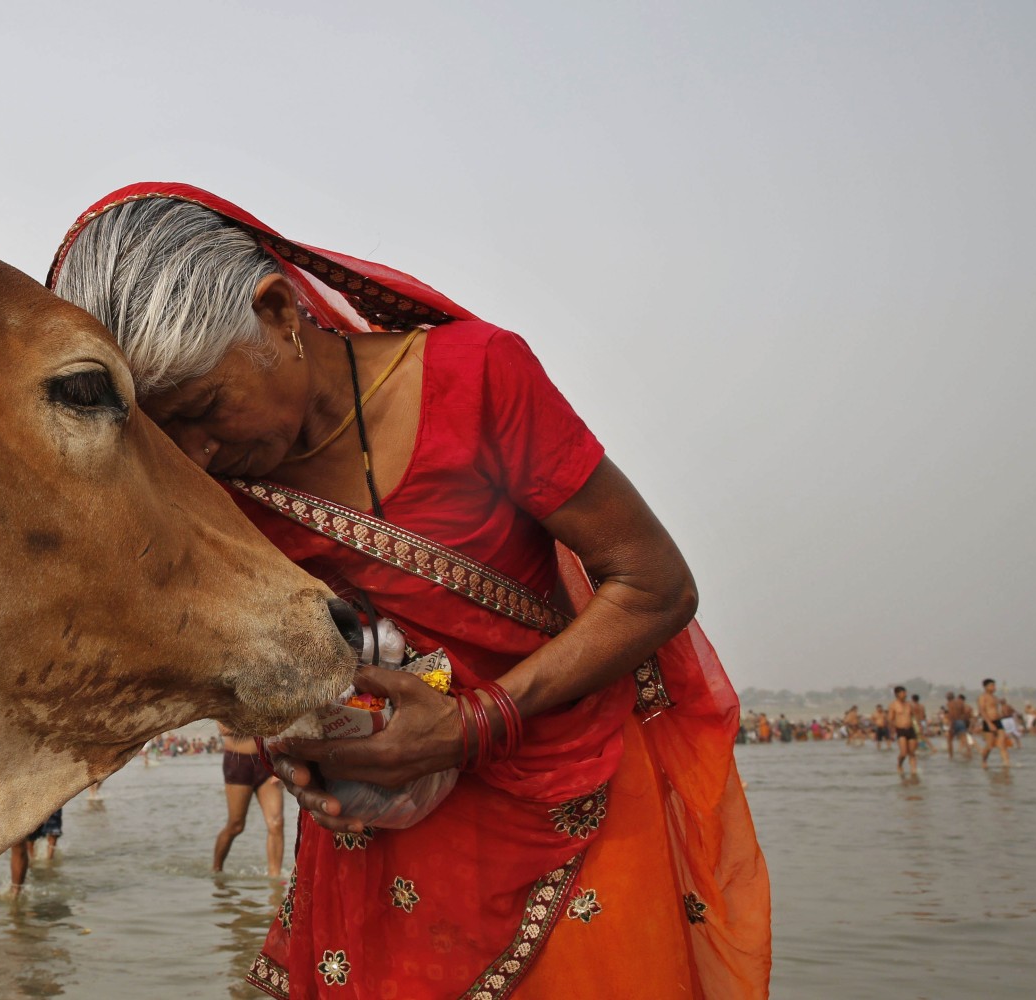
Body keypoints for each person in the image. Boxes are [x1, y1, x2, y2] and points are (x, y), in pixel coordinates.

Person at [49, 184, 770, 998]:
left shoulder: (479, 379)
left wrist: (469, 726)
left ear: (279, 313)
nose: (199, 455)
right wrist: (306, 759)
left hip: (572, 798)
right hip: (381, 836)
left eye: (206, 409)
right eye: (167, 438)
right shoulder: (219, 494)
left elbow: (655, 585)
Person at [215, 722, 287, 878]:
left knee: (276, 823)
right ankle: (216, 870)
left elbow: (283, 723)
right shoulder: (230, 696)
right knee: (236, 826)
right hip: (238, 763)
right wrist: (261, 720)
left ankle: (275, 881)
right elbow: (225, 729)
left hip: (267, 761)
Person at [979, 679, 1011, 768]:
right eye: (992, 685)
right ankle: (984, 761)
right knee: (989, 746)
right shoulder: (983, 697)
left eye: (994, 685)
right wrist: (989, 723)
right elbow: (982, 710)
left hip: (998, 721)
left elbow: (997, 710)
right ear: (986, 687)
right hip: (988, 721)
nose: (994, 687)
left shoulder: (995, 698)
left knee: (1002, 744)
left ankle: (1006, 764)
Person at [889, 686, 921, 777]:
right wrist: (892, 732)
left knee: (912, 753)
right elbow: (890, 719)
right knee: (903, 753)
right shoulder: (893, 705)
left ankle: (914, 772)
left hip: (911, 729)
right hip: (900, 730)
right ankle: (899, 764)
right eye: (903, 693)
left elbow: (914, 717)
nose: (905, 694)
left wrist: (919, 728)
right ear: (897, 694)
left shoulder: (909, 705)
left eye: (906, 692)